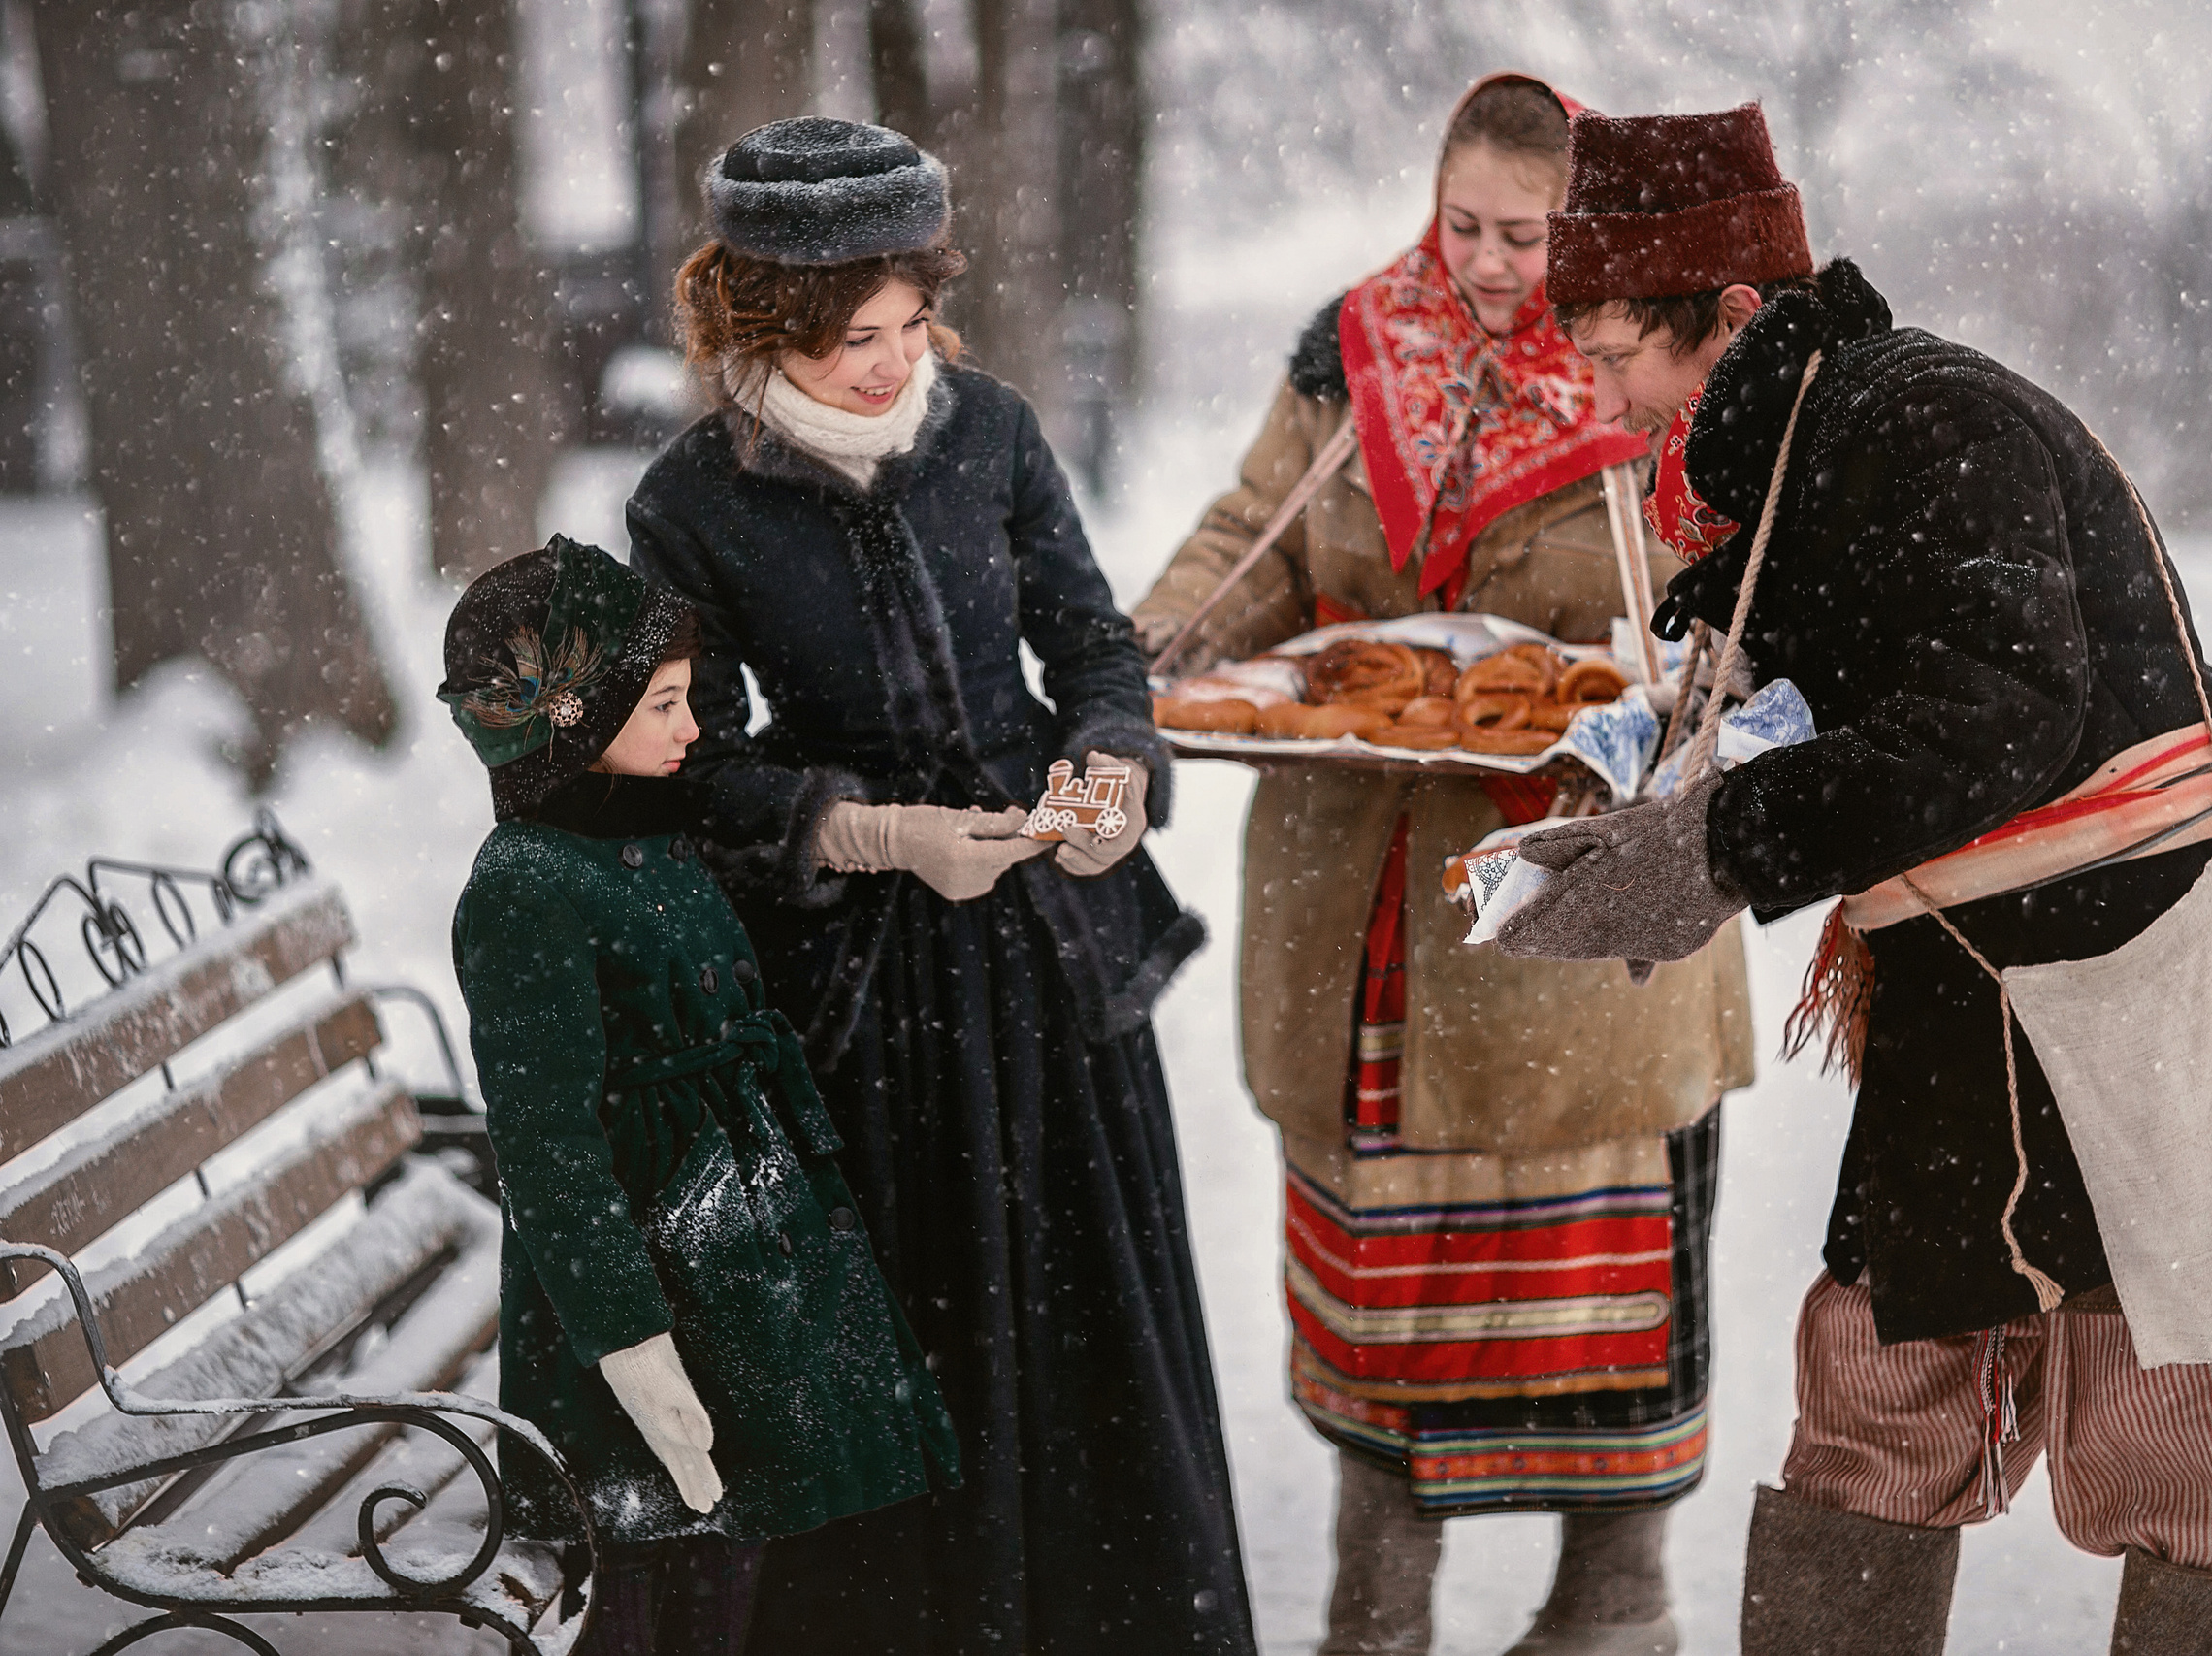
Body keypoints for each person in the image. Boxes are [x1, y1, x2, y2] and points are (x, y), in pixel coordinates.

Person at [1496, 104, 2212, 1655]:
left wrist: (1720, 846)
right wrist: (1656, 791)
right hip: (1971, 994)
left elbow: (2003, 709)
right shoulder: (1800, 451)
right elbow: (1835, 702)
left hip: (2163, 975)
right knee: (1876, 1392)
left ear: (1731, 313)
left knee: (2195, 1442)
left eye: (1614, 357)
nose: (1604, 399)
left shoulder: (1930, 417)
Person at [1134, 76, 1754, 1656]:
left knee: (1603, 1253)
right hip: (1366, 898)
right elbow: (1254, 534)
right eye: (1462, 222)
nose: (1484, 262)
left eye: (1524, 237)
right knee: (1384, 1275)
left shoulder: (1661, 371)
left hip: (1581, 900)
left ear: (1585, 233)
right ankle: (1380, 1604)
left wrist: (1659, 690)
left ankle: (1612, 1600)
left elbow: (1737, 601)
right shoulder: (1353, 354)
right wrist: (1154, 642)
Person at [625, 118, 1254, 1654]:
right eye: (854, 338)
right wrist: (866, 831)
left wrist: (1111, 771)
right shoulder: (690, 502)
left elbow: (1094, 644)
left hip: (1053, 957)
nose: (894, 364)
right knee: (924, 1343)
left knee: (1095, 1330)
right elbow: (684, 763)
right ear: (762, 320)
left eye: (912, 324)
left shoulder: (993, 433)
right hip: (864, 1005)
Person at [442, 537, 959, 1656]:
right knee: (639, 1571)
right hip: (643, 1295)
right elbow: (549, 1149)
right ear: (573, 717)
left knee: (729, 1550)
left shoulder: (646, 835)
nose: (692, 729)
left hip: (734, 1277)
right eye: (665, 705)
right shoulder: (527, 888)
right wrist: (630, 1342)